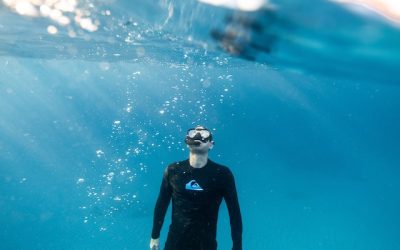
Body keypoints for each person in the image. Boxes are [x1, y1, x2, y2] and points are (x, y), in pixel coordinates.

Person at [149, 125, 243, 250]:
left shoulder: (222, 174)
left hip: (206, 245)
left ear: (211, 144)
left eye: (203, 134)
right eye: (193, 133)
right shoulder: (173, 170)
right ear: (187, 142)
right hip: (174, 244)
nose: (198, 136)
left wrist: (237, 246)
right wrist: (155, 236)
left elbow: (234, 213)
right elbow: (161, 205)